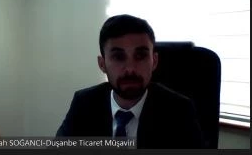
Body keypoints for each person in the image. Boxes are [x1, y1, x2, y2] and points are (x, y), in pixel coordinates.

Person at [56, 14, 206, 148]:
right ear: (102, 64)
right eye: (118, 57)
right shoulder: (83, 103)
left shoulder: (179, 111)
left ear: (154, 61)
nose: (130, 69)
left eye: (140, 56)